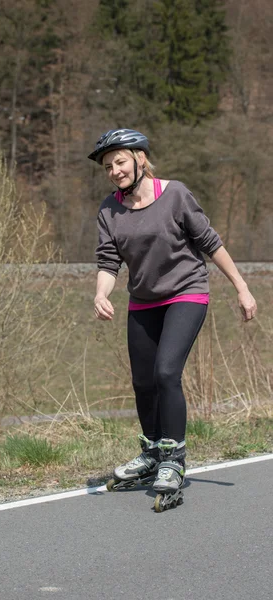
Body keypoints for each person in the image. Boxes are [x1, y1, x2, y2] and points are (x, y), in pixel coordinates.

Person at [89, 128, 257, 501]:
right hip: (144, 300)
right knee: (143, 382)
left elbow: (211, 243)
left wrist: (242, 288)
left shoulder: (176, 195)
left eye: (119, 161)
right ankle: (151, 453)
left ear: (140, 159)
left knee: (166, 372)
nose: (114, 170)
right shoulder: (109, 210)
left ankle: (173, 458)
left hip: (186, 293)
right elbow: (108, 261)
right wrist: (101, 293)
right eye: (107, 166)